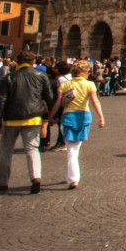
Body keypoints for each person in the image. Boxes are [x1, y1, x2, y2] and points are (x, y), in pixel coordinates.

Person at [0, 51, 56, 194]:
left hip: (11, 119)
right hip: (33, 118)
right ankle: (36, 178)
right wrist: (53, 116)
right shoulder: (41, 76)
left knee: (6, 150)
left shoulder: (9, 77)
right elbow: (49, 97)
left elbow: (0, 102)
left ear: (17, 62)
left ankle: (3, 182)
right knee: (32, 149)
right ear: (33, 62)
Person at [47, 60, 104, 189]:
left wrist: (51, 116)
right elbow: (95, 101)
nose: (89, 73)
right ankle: (73, 178)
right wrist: (101, 117)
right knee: (74, 149)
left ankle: (70, 176)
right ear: (83, 72)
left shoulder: (65, 85)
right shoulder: (90, 85)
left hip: (67, 117)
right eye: (88, 71)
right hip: (84, 117)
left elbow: (58, 103)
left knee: (71, 149)